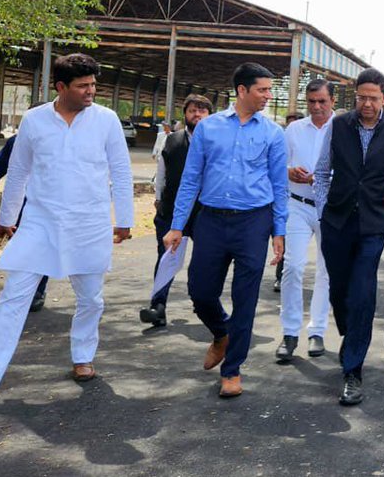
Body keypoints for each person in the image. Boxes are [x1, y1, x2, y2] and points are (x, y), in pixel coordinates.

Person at [0, 54, 133, 400]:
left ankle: (83, 356)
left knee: (90, 299)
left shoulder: (106, 121)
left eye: (94, 84)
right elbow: (19, 169)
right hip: (40, 222)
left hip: (89, 223)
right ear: (60, 86)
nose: (91, 91)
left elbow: (121, 171)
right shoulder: (34, 120)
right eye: (83, 86)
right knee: (12, 297)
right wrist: (6, 217)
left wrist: (124, 219)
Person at [164, 62, 288, 399]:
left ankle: (232, 370)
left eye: (269, 90)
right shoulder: (209, 128)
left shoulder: (273, 133)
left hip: (254, 221)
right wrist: (177, 226)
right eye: (262, 89)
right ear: (242, 90)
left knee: (245, 297)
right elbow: (190, 179)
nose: (268, 96)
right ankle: (221, 332)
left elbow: (279, 185)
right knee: (200, 291)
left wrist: (279, 232)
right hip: (212, 220)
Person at [313, 67, 384, 405]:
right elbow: (322, 171)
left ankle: (353, 369)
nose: (366, 104)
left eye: (373, 98)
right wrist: (324, 211)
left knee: (362, 293)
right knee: (339, 290)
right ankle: (350, 333)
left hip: (374, 224)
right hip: (337, 221)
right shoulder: (339, 125)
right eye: (361, 97)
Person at [140, 94, 213, 327]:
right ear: (185, 114)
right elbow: (161, 173)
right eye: (193, 110)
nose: (197, 114)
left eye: (203, 110)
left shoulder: (217, 141)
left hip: (206, 212)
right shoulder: (171, 141)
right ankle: (157, 306)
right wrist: (158, 198)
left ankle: (203, 305)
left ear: (210, 115)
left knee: (204, 261)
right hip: (172, 210)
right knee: (166, 257)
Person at [275, 80, 335, 362]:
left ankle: (317, 331)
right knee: (294, 266)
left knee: (326, 270)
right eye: (311, 101)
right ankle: (289, 332)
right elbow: (278, 165)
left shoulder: (343, 129)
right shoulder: (294, 130)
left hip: (330, 208)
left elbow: (351, 171)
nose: (317, 107)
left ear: (332, 101)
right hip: (297, 205)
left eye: (322, 101)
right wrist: (289, 172)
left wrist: (323, 177)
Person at [0, 121, 50, 313]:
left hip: (51, 206)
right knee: (24, 247)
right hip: (21, 206)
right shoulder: (16, 142)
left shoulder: (63, 143)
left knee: (45, 248)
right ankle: (25, 289)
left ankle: (37, 291)